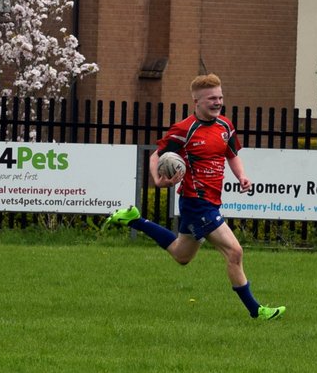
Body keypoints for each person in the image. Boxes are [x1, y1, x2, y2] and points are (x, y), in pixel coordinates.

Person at [104, 74, 285, 321]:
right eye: (212, 98)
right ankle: (257, 311)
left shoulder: (225, 126)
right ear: (196, 101)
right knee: (234, 252)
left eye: (220, 97)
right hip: (196, 201)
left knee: (182, 255)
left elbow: (232, 154)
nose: (218, 102)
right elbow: (156, 156)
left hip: (209, 201)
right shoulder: (184, 129)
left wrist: (242, 176)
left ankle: (135, 220)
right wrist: (158, 180)